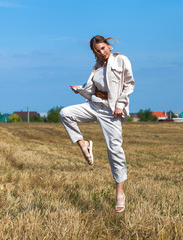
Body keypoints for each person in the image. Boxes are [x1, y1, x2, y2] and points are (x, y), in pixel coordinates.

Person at [59, 35, 135, 213]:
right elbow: (92, 89)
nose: (101, 52)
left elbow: (129, 84)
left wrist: (120, 104)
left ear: (108, 45)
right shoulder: (96, 67)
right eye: (97, 51)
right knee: (65, 113)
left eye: (103, 48)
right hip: (94, 105)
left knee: (114, 149)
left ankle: (119, 192)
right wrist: (80, 89)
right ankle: (83, 143)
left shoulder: (121, 60)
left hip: (111, 110)